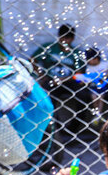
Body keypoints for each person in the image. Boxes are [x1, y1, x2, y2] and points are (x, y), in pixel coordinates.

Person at [31, 23, 89, 154]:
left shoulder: (76, 52)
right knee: (46, 98)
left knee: (84, 96)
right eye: (63, 38)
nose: (65, 41)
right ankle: (55, 129)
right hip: (51, 80)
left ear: (72, 39)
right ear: (59, 37)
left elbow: (79, 73)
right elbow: (32, 60)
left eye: (68, 38)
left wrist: (63, 80)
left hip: (69, 81)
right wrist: (42, 74)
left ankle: (72, 130)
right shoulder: (49, 48)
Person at [84, 47, 108, 127]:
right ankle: (98, 113)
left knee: (101, 96)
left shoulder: (106, 64)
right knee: (94, 96)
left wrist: (106, 75)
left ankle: (99, 113)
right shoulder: (89, 67)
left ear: (96, 58)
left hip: (105, 85)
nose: (89, 62)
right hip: (94, 86)